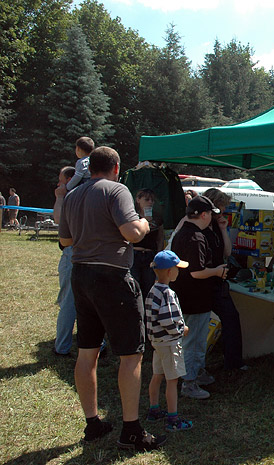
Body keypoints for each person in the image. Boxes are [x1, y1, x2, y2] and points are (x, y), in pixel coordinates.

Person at [58, 146, 166, 451]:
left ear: (90, 166)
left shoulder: (73, 195)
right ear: (116, 168)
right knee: (131, 354)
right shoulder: (116, 190)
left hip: (81, 275)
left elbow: (65, 239)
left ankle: (93, 423)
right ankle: (131, 431)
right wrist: (144, 223)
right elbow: (132, 232)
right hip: (111, 277)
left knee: (87, 352)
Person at [170, 195, 226, 400]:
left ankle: (197, 372)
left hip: (186, 296)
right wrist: (217, 271)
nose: (211, 218)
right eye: (210, 214)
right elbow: (196, 272)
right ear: (203, 215)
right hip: (195, 298)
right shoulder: (196, 237)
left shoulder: (183, 233)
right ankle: (189, 382)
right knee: (193, 342)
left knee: (195, 339)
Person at [200, 187, 247, 374]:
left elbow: (227, 252)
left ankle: (233, 362)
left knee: (231, 318)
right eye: (222, 207)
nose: (224, 211)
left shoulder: (217, 226)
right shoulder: (200, 227)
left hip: (218, 281)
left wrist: (223, 229)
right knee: (200, 324)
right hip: (205, 282)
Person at [145, 250, 192, 432]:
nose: (179, 272)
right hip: (169, 343)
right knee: (172, 380)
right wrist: (182, 330)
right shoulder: (167, 293)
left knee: (157, 375)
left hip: (157, 342)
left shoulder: (152, 291)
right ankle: (173, 419)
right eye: (177, 269)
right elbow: (167, 320)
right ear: (169, 271)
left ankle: (154, 409)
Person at [53, 166, 77, 356]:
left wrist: (60, 197)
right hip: (91, 252)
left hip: (73, 252)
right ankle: (98, 344)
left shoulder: (70, 197)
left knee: (68, 301)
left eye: (61, 181)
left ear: (69, 180)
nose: (58, 184)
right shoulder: (90, 193)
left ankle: (62, 347)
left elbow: (58, 219)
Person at [131, 189, 164, 303]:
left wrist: (158, 255)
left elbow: (160, 238)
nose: (150, 202)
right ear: (138, 200)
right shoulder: (133, 217)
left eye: (152, 200)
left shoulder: (157, 218)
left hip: (150, 255)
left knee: (148, 288)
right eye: (147, 199)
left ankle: (146, 312)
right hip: (135, 253)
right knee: (134, 287)